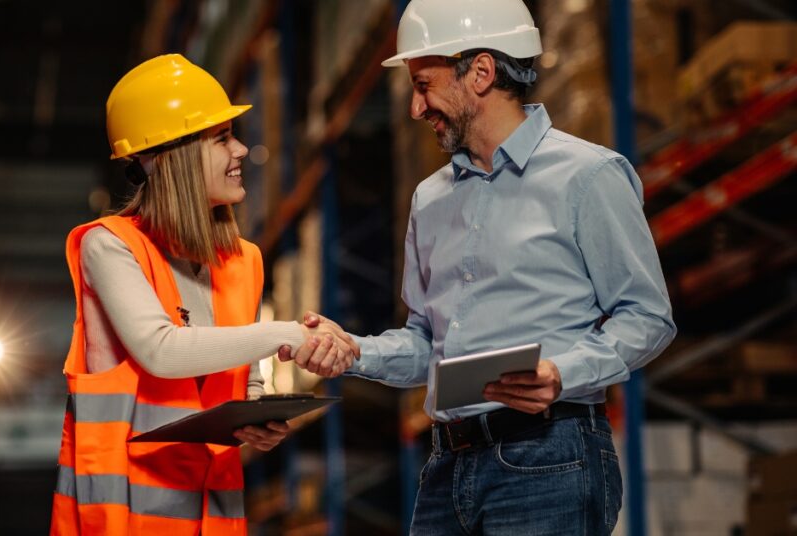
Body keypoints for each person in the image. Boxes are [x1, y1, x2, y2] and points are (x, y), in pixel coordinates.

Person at [281, 0, 677, 534]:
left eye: (423, 85)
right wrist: (353, 351)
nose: (416, 109)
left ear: (482, 72)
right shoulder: (430, 200)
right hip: (448, 466)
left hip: (550, 457)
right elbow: (427, 344)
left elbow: (647, 317)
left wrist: (562, 374)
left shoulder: (588, 176)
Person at [50, 54, 358, 535]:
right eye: (221, 139)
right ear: (172, 157)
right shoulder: (109, 246)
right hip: (122, 520)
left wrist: (259, 419)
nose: (240, 150)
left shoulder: (243, 261)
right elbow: (161, 350)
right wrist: (286, 334)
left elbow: (243, 382)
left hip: (211, 518)